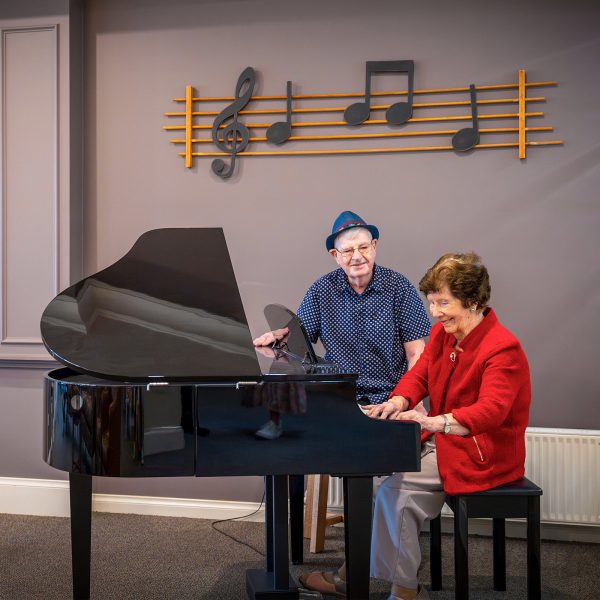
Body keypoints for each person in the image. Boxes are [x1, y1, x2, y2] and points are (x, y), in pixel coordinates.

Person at [300, 252, 531, 600]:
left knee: (395, 493)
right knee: (375, 478)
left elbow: (492, 411)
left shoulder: (503, 348)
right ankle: (354, 575)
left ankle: (405, 590)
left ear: (473, 301)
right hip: (444, 440)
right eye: (432, 302)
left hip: (482, 452)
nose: (435, 312)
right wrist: (397, 402)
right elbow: (419, 374)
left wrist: (433, 421)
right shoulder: (443, 334)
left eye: (443, 303)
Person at [252, 210, 431, 439]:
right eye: (347, 250)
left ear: (374, 246)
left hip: (390, 400)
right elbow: (298, 338)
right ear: (335, 255)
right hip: (338, 401)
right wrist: (280, 336)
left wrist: (410, 398)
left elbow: (416, 353)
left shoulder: (399, 287)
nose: (357, 256)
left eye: (364, 247)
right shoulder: (321, 290)